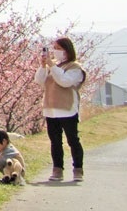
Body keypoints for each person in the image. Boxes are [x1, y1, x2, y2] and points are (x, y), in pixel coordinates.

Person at [35, 36, 86, 182]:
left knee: (72, 140)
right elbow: (39, 80)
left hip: (67, 109)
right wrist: (43, 65)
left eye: (59, 49)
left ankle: (78, 169)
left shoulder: (75, 68)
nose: (55, 51)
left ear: (67, 50)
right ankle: (57, 169)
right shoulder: (54, 66)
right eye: (54, 48)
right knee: (55, 141)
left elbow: (64, 81)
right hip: (51, 109)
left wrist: (52, 65)